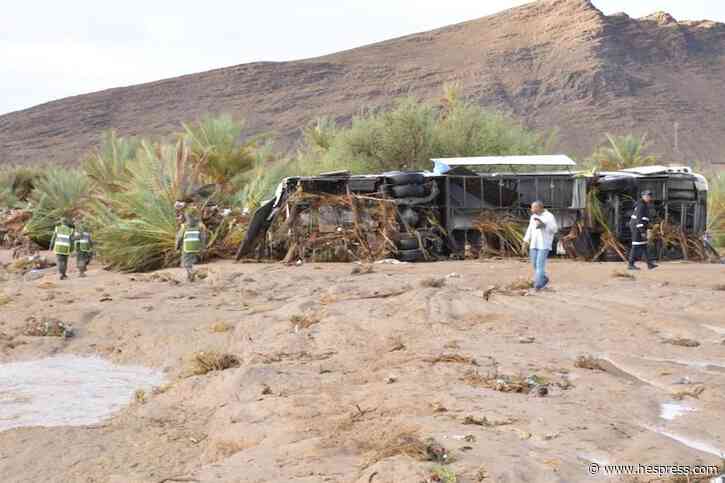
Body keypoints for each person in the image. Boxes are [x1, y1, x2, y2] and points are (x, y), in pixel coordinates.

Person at [523, 201, 558, 290]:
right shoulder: (533, 217)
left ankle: (537, 285)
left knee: (540, 265)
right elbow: (530, 229)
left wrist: (544, 225)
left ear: (540, 208)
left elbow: (554, 229)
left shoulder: (549, 216)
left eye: (533, 208)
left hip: (544, 244)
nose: (531, 209)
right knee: (535, 265)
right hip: (534, 243)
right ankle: (544, 279)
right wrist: (525, 241)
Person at [628, 190, 658, 270]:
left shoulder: (644, 204)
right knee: (635, 246)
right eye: (647, 196)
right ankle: (630, 264)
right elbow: (639, 219)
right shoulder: (641, 205)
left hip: (639, 227)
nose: (649, 198)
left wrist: (647, 228)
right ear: (643, 196)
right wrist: (642, 231)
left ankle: (649, 264)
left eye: (650, 196)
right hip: (637, 228)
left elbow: (644, 218)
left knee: (644, 245)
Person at [176, 212, 206, 282]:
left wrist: (177, 247)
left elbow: (179, 237)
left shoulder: (184, 226)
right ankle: (190, 278)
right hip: (196, 247)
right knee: (190, 262)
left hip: (186, 247)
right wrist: (202, 247)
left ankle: (193, 272)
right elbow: (203, 238)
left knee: (185, 263)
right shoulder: (199, 226)